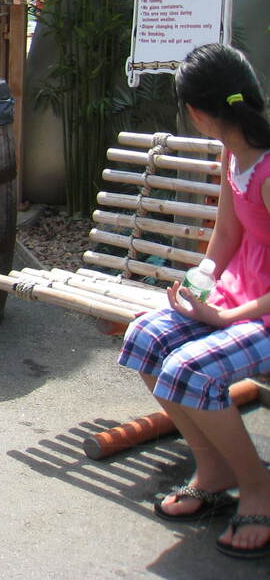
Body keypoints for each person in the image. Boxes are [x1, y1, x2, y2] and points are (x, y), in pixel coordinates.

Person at [117, 43, 270, 560]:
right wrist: (199, 287)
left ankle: (258, 488)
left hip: (260, 312)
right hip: (239, 297)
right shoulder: (235, 154)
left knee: (190, 370)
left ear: (197, 113)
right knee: (145, 336)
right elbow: (226, 234)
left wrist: (224, 315)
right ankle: (214, 467)